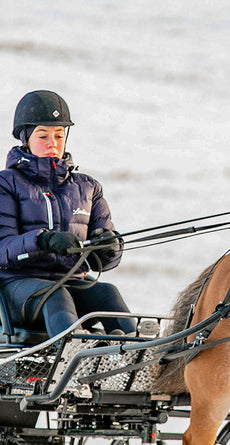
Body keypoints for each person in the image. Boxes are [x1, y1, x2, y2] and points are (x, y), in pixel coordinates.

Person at [0, 90, 135, 337]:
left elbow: (105, 263)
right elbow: (2, 250)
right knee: (55, 296)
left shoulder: (88, 188)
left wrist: (108, 246)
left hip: (70, 281)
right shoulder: (6, 184)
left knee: (108, 293)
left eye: (59, 135)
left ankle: (137, 356)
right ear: (25, 138)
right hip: (17, 289)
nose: (53, 143)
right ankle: (72, 356)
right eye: (43, 136)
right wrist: (43, 240)